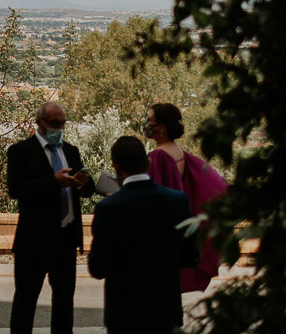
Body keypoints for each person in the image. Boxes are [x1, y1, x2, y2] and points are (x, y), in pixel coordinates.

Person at [88, 136, 197, 334]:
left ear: (116, 166)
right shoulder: (177, 201)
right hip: (164, 309)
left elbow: (97, 267)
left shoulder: (108, 208)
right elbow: (190, 256)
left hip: (123, 313)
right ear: (147, 164)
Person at [7, 101, 96, 334]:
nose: (59, 128)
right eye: (54, 123)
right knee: (25, 303)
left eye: (62, 123)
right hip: (33, 242)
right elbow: (15, 189)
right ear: (39, 123)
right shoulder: (20, 151)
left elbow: (87, 190)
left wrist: (83, 183)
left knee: (64, 306)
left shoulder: (71, 151)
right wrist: (53, 182)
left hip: (65, 241)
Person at [144, 102, 228, 292]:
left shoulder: (157, 156)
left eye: (150, 120)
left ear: (162, 127)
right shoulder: (180, 152)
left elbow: (150, 198)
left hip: (162, 238)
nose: (146, 124)